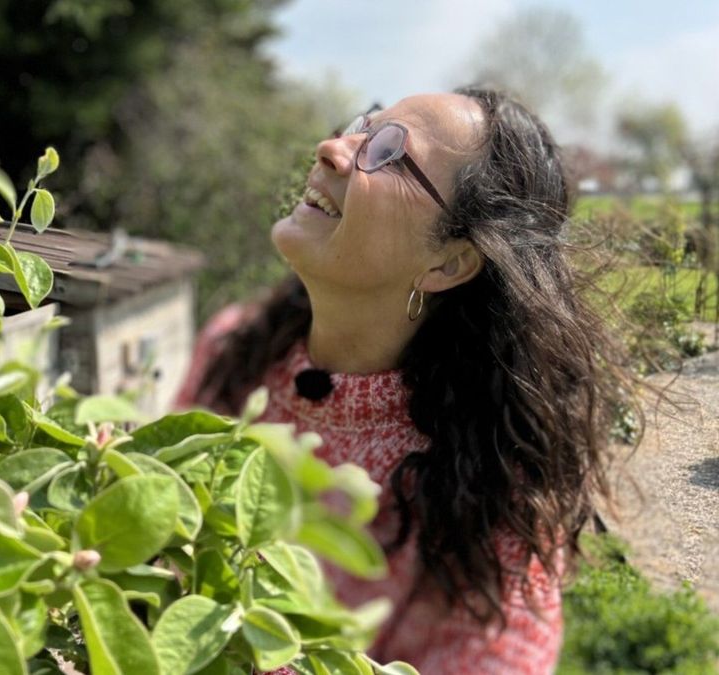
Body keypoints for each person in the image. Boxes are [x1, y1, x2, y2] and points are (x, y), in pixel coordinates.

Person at [175, 87, 637, 673]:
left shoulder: (491, 495)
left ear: (448, 262)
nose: (332, 148)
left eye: (390, 153)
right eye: (361, 126)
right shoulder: (233, 346)